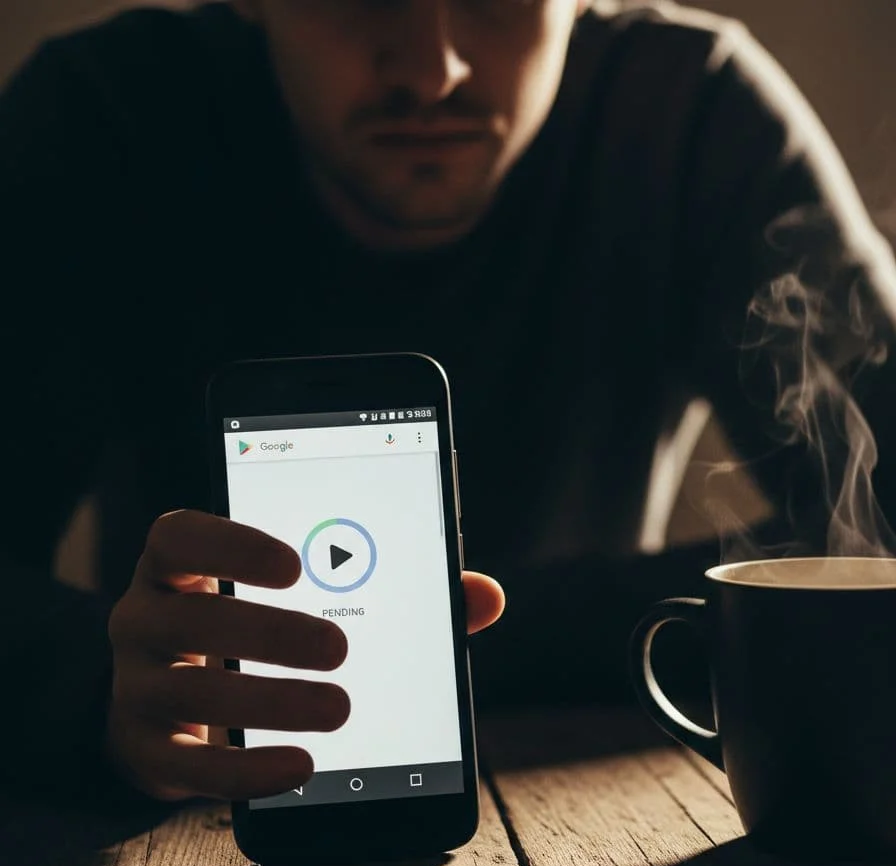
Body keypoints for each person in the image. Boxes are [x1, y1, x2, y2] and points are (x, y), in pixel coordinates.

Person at [2, 0, 895, 807]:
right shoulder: (99, 117)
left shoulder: (686, 111)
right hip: (182, 804)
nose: (434, 72)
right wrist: (103, 687)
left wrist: (427, 634)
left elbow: (882, 515)